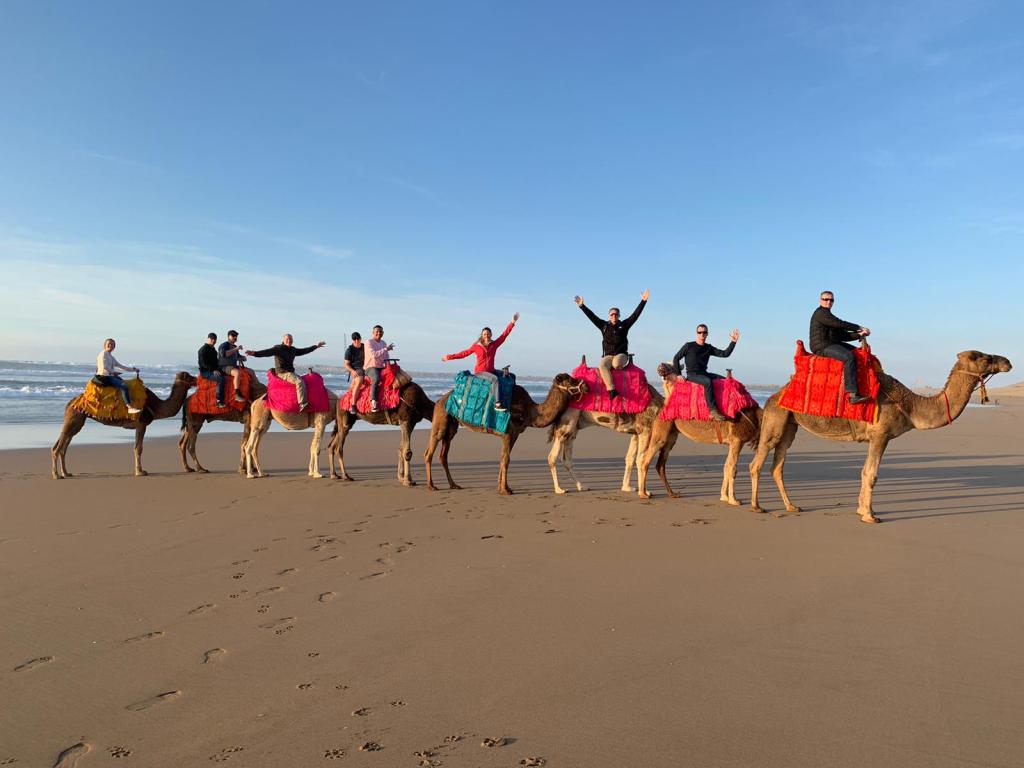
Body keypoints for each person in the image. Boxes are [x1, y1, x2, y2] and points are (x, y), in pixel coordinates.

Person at [574, 289, 649, 399]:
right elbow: (592, 316)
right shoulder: (603, 326)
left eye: (616, 314)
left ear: (619, 315)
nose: (614, 316)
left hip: (621, 355)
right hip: (608, 355)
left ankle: (617, 378)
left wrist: (643, 301)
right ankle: (612, 390)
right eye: (612, 314)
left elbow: (635, 315)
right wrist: (582, 306)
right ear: (609, 316)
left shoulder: (624, 325)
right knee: (602, 366)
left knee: (616, 364)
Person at [442, 313, 520, 411]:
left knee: (511, 375)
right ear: (482, 336)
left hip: (491, 370)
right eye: (484, 334)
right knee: (495, 380)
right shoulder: (476, 346)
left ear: (491, 335)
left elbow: (504, 335)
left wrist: (512, 322)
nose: (486, 335)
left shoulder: (494, 344)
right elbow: (464, 353)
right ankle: (497, 404)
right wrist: (449, 357)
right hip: (480, 372)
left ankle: (512, 401)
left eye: (488, 334)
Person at [810, 291, 871, 404]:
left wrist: (859, 334)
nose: (828, 302)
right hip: (822, 346)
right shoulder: (821, 314)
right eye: (825, 299)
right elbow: (840, 323)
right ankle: (852, 395)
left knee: (857, 352)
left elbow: (842, 335)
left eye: (831, 300)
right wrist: (859, 327)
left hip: (831, 343)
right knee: (849, 357)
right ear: (820, 301)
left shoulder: (829, 317)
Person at [671, 325, 739, 421]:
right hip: (692, 374)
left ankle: (729, 406)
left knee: (724, 380)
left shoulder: (708, 348)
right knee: (707, 381)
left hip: (703, 373)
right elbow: (676, 358)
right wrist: (678, 374)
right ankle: (712, 410)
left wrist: (733, 342)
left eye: (704, 332)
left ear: (707, 334)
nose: (702, 334)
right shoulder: (688, 346)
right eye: (700, 332)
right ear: (696, 333)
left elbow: (725, 354)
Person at [248, 334, 327, 412]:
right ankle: (302, 403)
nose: (289, 341)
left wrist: (316, 346)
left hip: (291, 373)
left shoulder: (293, 349)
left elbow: (304, 351)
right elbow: (266, 352)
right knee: (299, 382)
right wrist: (255, 353)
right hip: (282, 373)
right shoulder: (278, 348)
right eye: (287, 339)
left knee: (304, 381)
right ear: (283, 340)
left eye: (290, 339)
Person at [95, 338, 141, 414]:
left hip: (110, 375)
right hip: (104, 377)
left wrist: (133, 369)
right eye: (109, 344)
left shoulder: (111, 357)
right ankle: (129, 407)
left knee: (124, 383)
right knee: (124, 386)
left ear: (114, 347)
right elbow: (104, 367)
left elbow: (122, 367)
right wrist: (113, 372)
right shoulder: (103, 354)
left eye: (112, 344)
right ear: (104, 345)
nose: (110, 345)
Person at [364, 325, 394, 413]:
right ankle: (373, 401)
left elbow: (386, 356)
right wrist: (386, 349)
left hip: (382, 367)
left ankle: (391, 400)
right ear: (373, 333)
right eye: (377, 331)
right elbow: (374, 355)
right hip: (371, 367)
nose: (378, 333)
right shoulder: (369, 342)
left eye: (380, 331)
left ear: (383, 333)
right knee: (376, 379)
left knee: (394, 376)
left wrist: (388, 365)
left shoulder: (383, 343)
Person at [217, 329, 248, 403]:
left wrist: (243, 357)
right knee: (237, 373)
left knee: (250, 371)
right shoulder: (224, 345)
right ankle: (237, 394)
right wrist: (236, 349)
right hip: (224, 367)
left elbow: (238, 357)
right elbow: (224, 354)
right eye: (233, 335)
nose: (235, 337)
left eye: (236, 336)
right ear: (229, 336)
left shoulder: (234, 346)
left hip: (233, 366)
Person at [198, 332, 227, 408]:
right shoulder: (202, 350)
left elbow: (216, 362)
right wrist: (213, 370)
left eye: (215, 339)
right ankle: (219, 401)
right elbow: (203, 364)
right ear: (208, 339)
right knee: (221, 379)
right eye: (212, 339)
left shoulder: (213, 350)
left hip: (213, 370)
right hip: (205, 372)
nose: (213, 341)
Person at [343, 332, 366, 415]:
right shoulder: (349, 350)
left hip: (367, 367)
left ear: (360, 339)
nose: (356, 341)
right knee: (359, 380)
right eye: (354, 339)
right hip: (356, 369)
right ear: (352, 340)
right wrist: (352, 371)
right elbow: (346, 364)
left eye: (358, 339)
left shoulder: (365, 347)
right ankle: (353, 404)